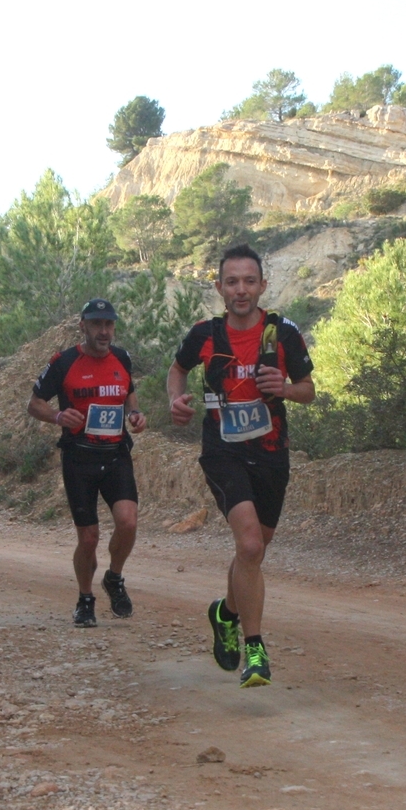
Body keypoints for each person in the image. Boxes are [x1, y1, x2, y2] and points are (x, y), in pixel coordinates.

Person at [167, 244, 315, 687]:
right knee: (249, 545)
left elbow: (309, 390)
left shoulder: (282, 333)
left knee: (256, 550)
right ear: (219, 288)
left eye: (249, 281)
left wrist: (285, 390)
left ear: (262, 285)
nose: (241, 289)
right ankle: (255, 650)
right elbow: (177, 370)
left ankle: (225, 613)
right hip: (223, 450)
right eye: (232, 282)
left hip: (271, 452)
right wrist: (176, 399)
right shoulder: (205, 334)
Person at [29, 298, 147, 627]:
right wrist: (57, 416)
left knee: (128, 523)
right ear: (83, 326)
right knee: (89, 538)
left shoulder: (122, 357)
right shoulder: (64, 362)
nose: (104, 331)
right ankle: (85, 599)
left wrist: (135, 414)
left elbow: (128, 393)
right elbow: (34, 403)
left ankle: (114, 578)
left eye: (109, 324)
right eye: (97, 325)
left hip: (115, 454)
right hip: (79, 457)